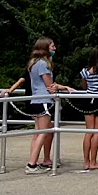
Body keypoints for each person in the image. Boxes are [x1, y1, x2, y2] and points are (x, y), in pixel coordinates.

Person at [25, 37, 69, 174]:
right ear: (45, 48)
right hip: (44, 100)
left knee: (38, 133)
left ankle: (35, 161)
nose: (54, 49)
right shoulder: (43, 64)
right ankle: (32, 164)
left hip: (35, 100)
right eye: (52, 46)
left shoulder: (33, 63)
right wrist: (64, 87)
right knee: (43, 133)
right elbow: (50, 85)